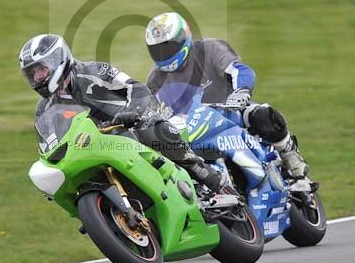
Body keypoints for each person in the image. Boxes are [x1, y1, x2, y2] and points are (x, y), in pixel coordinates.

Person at [19, 33, 226, 193]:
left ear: (58, 60)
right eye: (32, 73)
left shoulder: (92, 72)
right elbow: (48, 147)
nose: (37, 77)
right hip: (97, 146)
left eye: (41, 69)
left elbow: (136, 88)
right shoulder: (44, 110)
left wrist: (133, 110)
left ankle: (204, 173)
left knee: (152, 129)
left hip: (132, 121)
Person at [144, 13, 310, 180]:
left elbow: (240, 71)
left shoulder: (210, 49)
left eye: (167, 47)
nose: (163, 54)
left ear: (184, 38)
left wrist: (241, 91)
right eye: (156, 50)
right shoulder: (155, 79)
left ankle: (289, 154)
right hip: (193, 129)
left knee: (263, 115)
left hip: (231, 112)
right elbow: (149, 110)